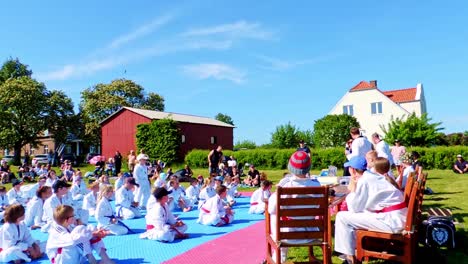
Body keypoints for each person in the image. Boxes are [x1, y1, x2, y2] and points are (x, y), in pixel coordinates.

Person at [334, 157, 406, 264]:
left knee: (342, 217)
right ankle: (353, 251)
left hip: (392, 221)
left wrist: (352, 188)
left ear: (352, 170)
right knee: (350, 218)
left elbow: (354, 208)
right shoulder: (372, 176)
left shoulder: (364, 180)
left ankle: (350, 259)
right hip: (397, 216)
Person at [268, 151, 321, 262]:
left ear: (290, 167)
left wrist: (276, 192)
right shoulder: (317, 186)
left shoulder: (285, 185)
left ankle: (280, 255)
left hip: (288, 235)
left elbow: (271, 208)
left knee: (274, 212)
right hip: (311, 234)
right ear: (308, 167)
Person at [46, 205, 114, 264]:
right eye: (72, 216)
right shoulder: (56, 231)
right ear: (66, 219)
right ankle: (93, 261)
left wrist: (95, 232)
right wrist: (93, 234)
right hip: (62, 260)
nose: (74, 217)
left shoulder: (68, 225)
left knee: (90, 228)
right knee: (80, 231)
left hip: (74, 257)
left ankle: (105, 259)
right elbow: (72, 240)